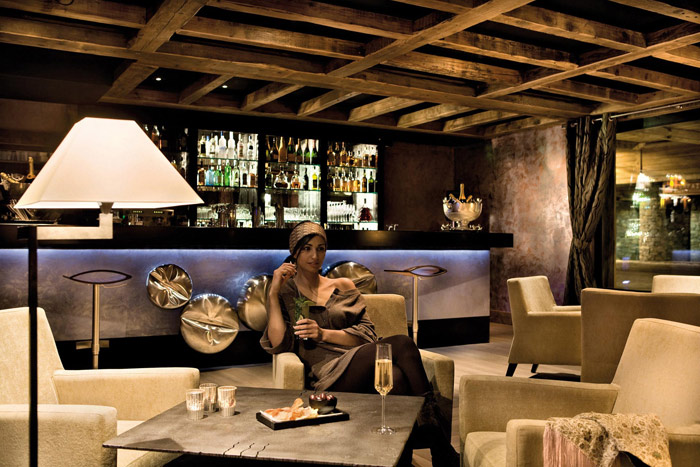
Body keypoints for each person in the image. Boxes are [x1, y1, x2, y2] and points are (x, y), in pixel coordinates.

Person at [261, 221, 458, 466]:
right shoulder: (286, 292)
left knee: (396, 377)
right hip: (329, 375)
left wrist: (323, 334)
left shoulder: (343, 286)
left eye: (321, 248)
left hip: (359, 359)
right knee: (404, 343)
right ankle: (438, 442)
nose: (315, 256)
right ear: (294, 253)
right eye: (307, 249)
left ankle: (403, 459)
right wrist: (272, 293)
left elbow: (367, 334)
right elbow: (278, 343)